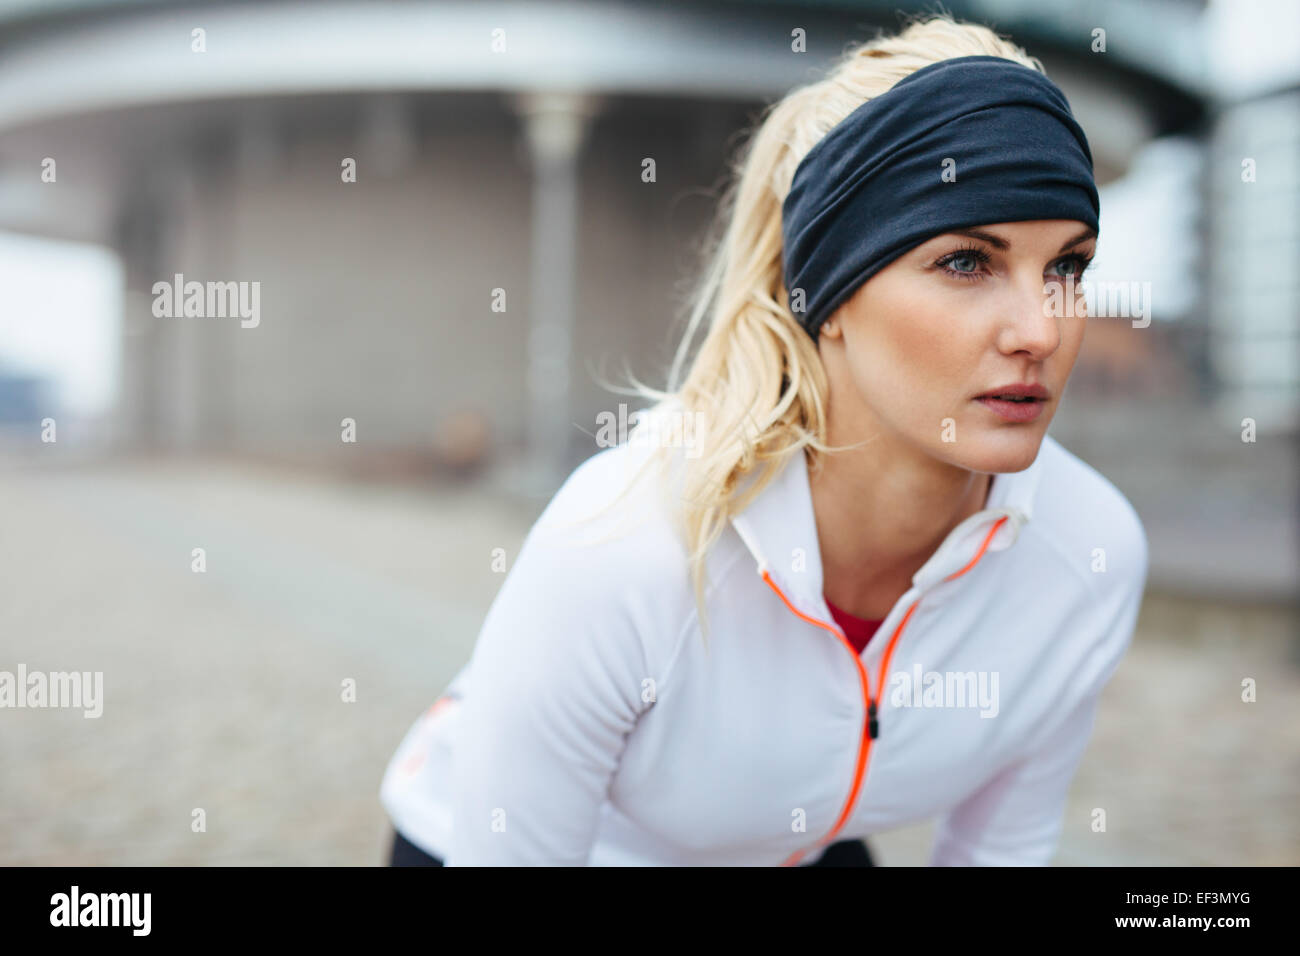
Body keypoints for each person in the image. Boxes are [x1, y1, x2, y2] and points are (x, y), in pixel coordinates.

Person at [380, 13, 1148, 867]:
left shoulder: (1091, 554)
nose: (1041, 329)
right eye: (968, 262)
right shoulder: (624, 544)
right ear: (831, 295)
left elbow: (1000, 855)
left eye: (1068, 267)